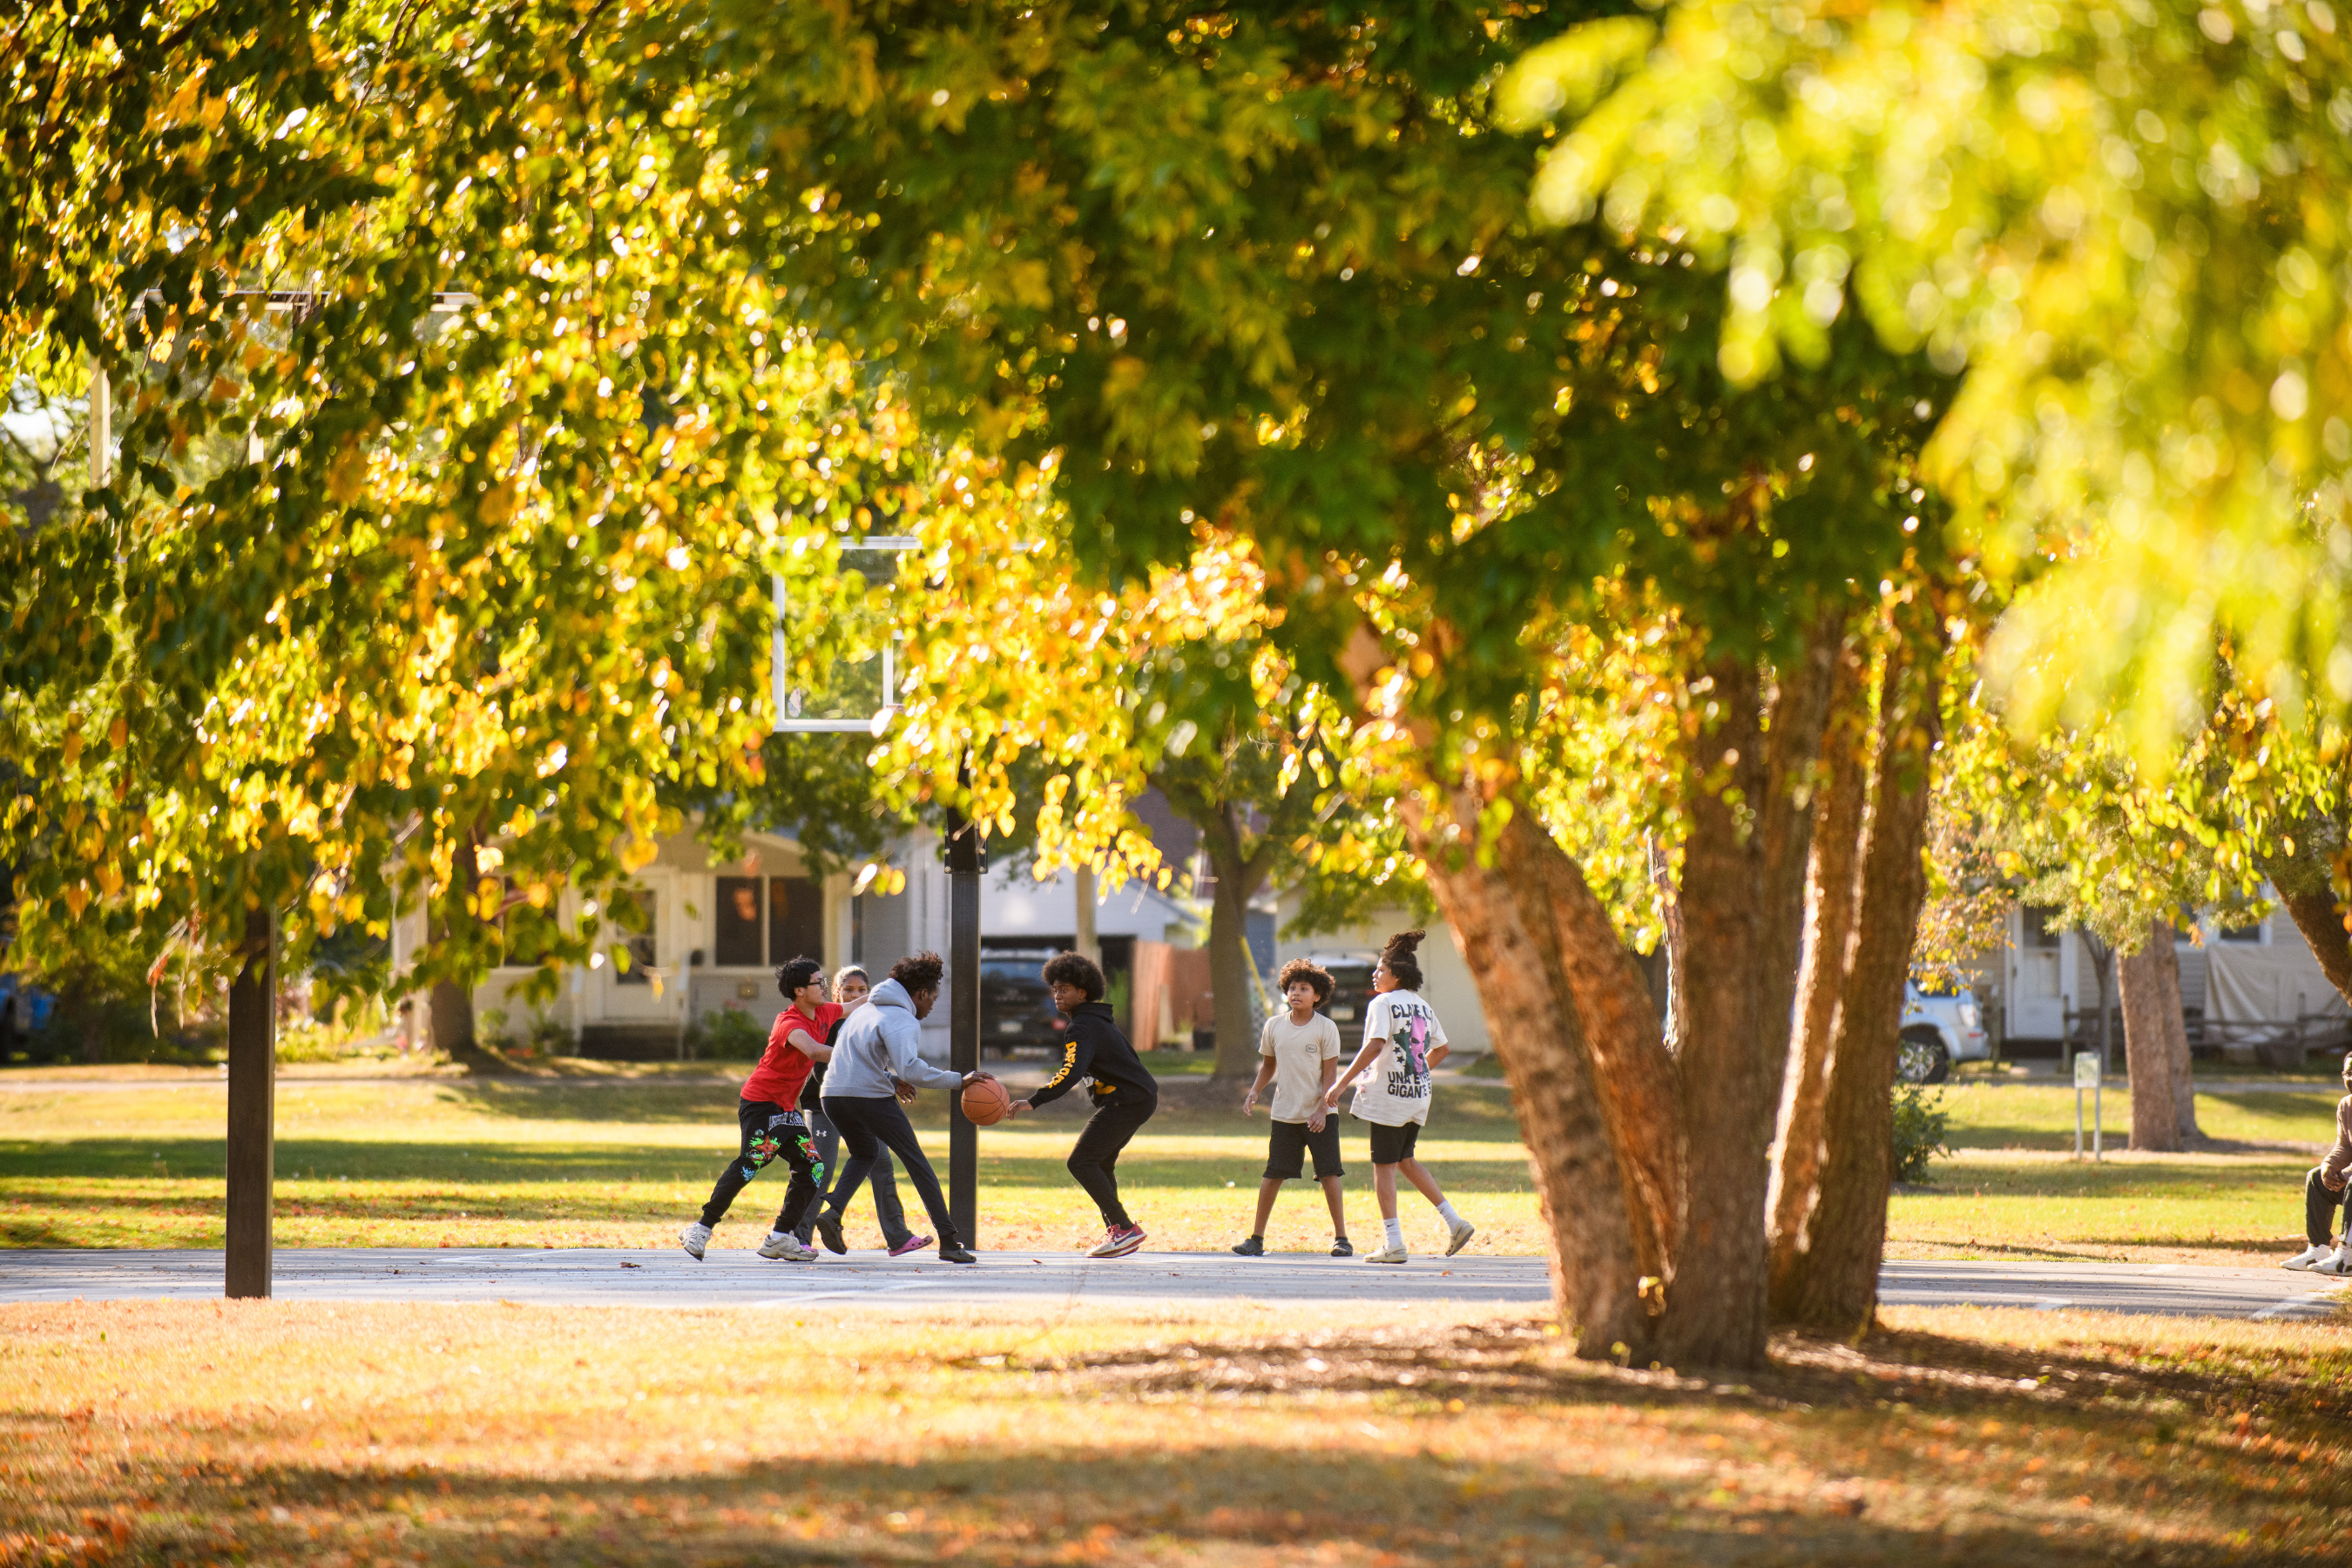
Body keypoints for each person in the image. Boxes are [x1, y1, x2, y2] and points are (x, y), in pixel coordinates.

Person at [810, 951, 986, 1264]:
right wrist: (959, 1080)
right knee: (917, 1162)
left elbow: (858, 1059)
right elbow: (912, 1070)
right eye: (932, 997)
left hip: (832, 1095)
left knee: (865, 1152)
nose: (932, 1004)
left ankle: (833, 1210)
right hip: (867, 1096)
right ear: (920, 994)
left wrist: (890, 1079)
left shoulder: (864, 1012)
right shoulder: (902, 1019)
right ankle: (948, 1240)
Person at [1323, 930, 1475, 1265]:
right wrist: (1417, 1072)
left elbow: (1376, 1044)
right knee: (1406, 1160)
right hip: (1417, 1094)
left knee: (1384, 1166)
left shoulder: (1382, 1003)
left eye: (1381, 970)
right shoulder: (1421, 1005)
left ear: (1398, 975)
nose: (1375, 975)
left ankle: (1393, 1242)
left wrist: (1341, 1083)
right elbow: (1443, 1048)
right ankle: (1456, 1223)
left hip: (1389, 1097)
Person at [1004, 950, 1159, 1258]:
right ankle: (1119, 1231)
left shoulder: (1082, 1027)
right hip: (1138, 1098)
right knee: (1100, 1163)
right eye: (1055, 990)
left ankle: (1125, 1228)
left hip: (1126, 1101)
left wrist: (1035, 1100)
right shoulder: (1097, 1021)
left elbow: (1071, 1071)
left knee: (1080, 1162)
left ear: (1082, 992)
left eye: (1065, 990)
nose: (1057, 996)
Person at [679, 957, 832, 1263]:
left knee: (812, 1166)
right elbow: (814, 1051)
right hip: (761, 1104)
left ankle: (779, 1237)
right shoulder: (789, 1022)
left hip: (786, 1109)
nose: (825, 986)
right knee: (752, 1162)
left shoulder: (826, 1011)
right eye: (819, 982)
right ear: (800, 991)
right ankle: (700, 1228)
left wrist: (898, 988)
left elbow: (859, 1005)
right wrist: (857, 1055)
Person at [794, 965, 930, 1257]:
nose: (856, 995)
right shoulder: (830, 1020)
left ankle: (898, 1237)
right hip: (825, 1104)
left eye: (861, 990)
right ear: (837, 993)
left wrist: (893, 1080)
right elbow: (822, 1068)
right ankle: (799, 1237)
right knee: (822, 1168)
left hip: (863, 1103)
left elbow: (871, 1066)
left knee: (881, 1164)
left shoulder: (873, 1021)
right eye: (849, 990)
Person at [1233, 958, 1351, 1257]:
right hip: (1285, 1114)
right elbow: (1268, 1065)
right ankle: (1256, 1239)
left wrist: (1323, 1110)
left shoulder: (1326, 1028)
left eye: (1304, 988)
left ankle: (1341, 1239)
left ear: (1317, 996)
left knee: (1329, 1174)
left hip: (1320, 1115)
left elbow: (1330, 1074)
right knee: (1273, 1174)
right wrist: (1254, 1091)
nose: (1296, 993)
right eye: (1292, 987)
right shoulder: (1274, 1026)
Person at [2284, 1051, 2352, 1274]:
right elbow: (2344, 1146)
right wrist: (2329, 1167)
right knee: (2316, 1178)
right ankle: (2319, 1249)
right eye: (2348, 1073)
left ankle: (2347, 1254)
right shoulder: (2346, 1105)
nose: (2351, 1079)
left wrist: (2347, 1174)